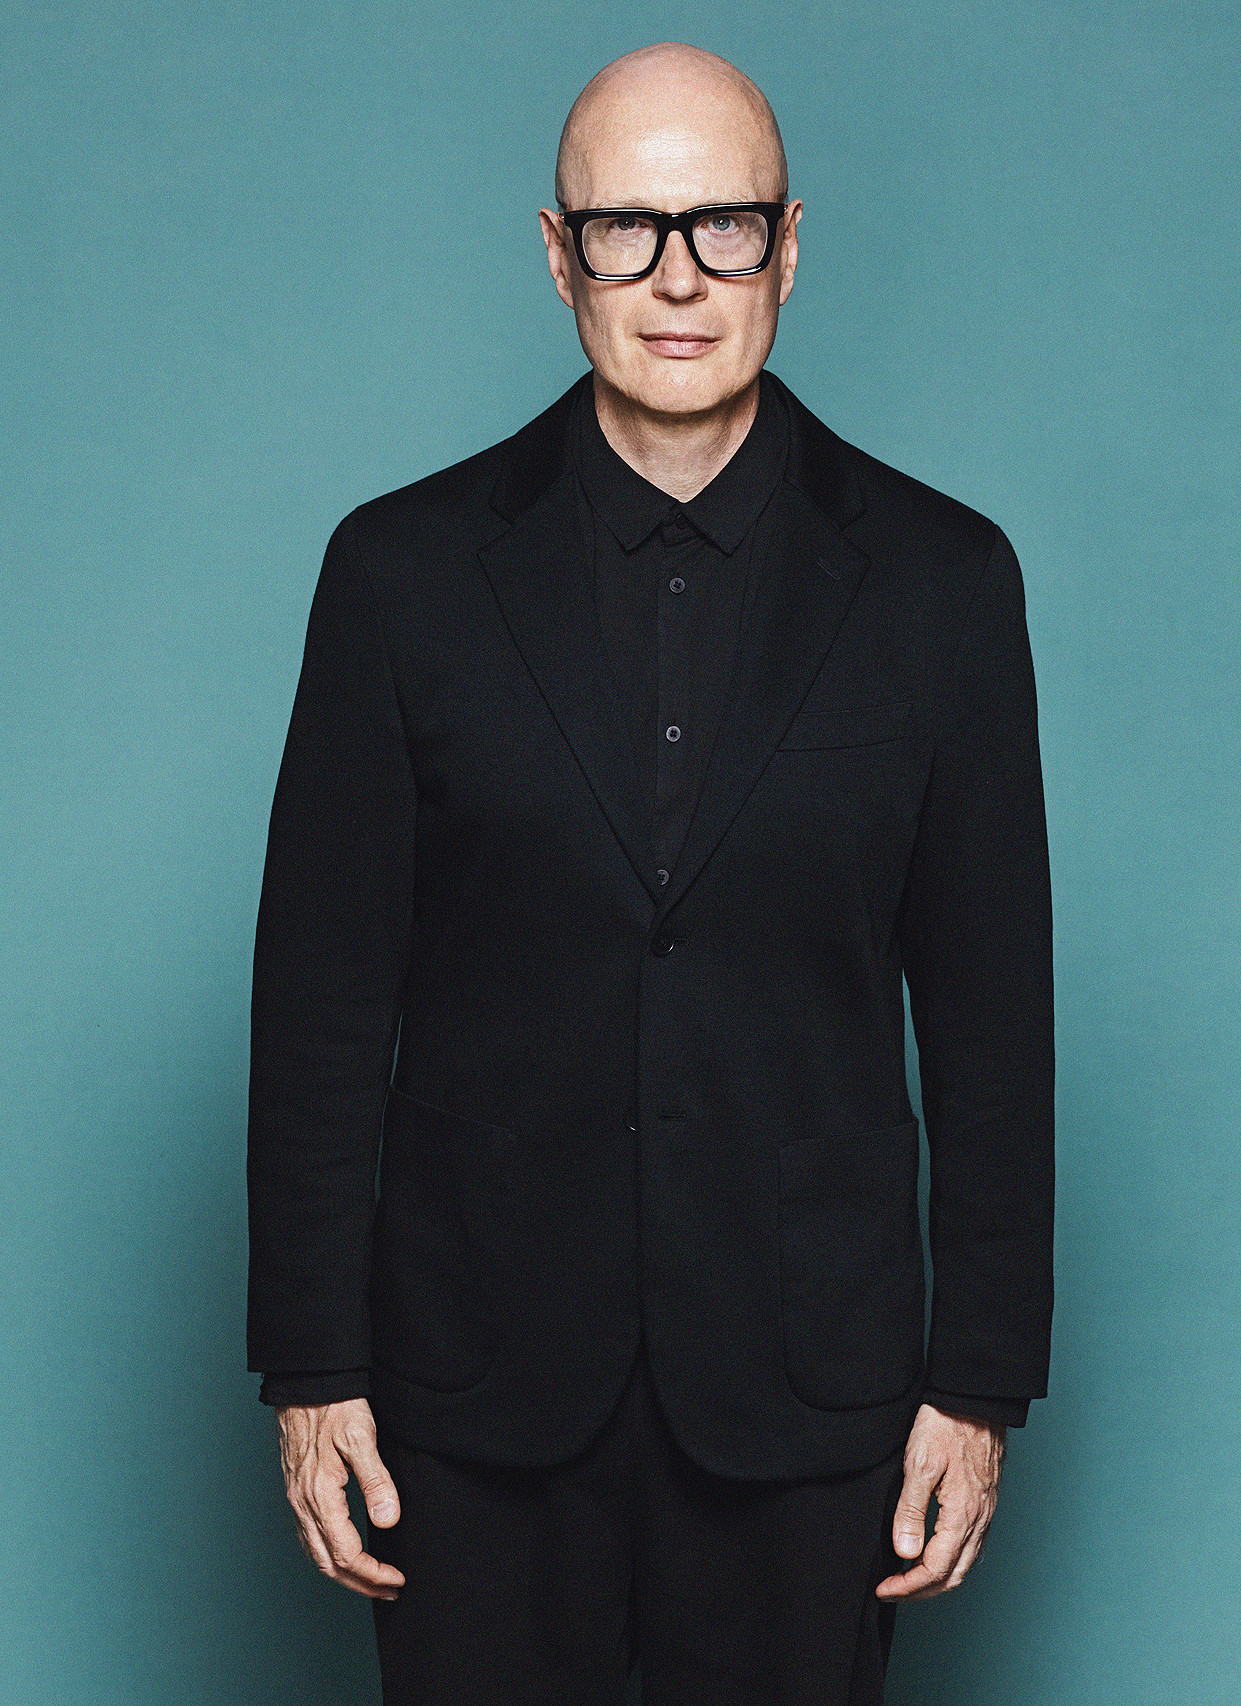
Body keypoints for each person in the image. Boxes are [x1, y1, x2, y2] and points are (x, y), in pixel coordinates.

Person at [246, 39, 1054, 1705]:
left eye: (724, 227)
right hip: (468, 1391)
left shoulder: (946, 583)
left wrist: (980, 1385)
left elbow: (994, 1029)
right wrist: (311, 1366)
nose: (679, 278)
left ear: (789, 247)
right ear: (560, 256)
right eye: (628, 229)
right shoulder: (398, 575)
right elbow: (322, 1003)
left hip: (814, 1395)